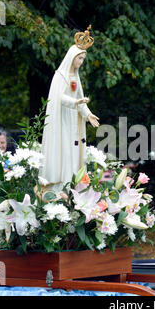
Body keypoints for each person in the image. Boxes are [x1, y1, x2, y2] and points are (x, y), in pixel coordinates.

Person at [41, 26, 99, 191]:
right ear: (71, 57)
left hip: (74, 124)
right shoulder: (60, 76)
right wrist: (76, 102)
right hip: (62, 123)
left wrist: (88, 114)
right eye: (79, 58)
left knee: (74, 156)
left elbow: (81, 101)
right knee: (64, 155)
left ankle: (73, 190)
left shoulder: (76, 78)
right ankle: (59, 189)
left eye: (82, 59)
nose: (81, 62)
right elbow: (59, 98)